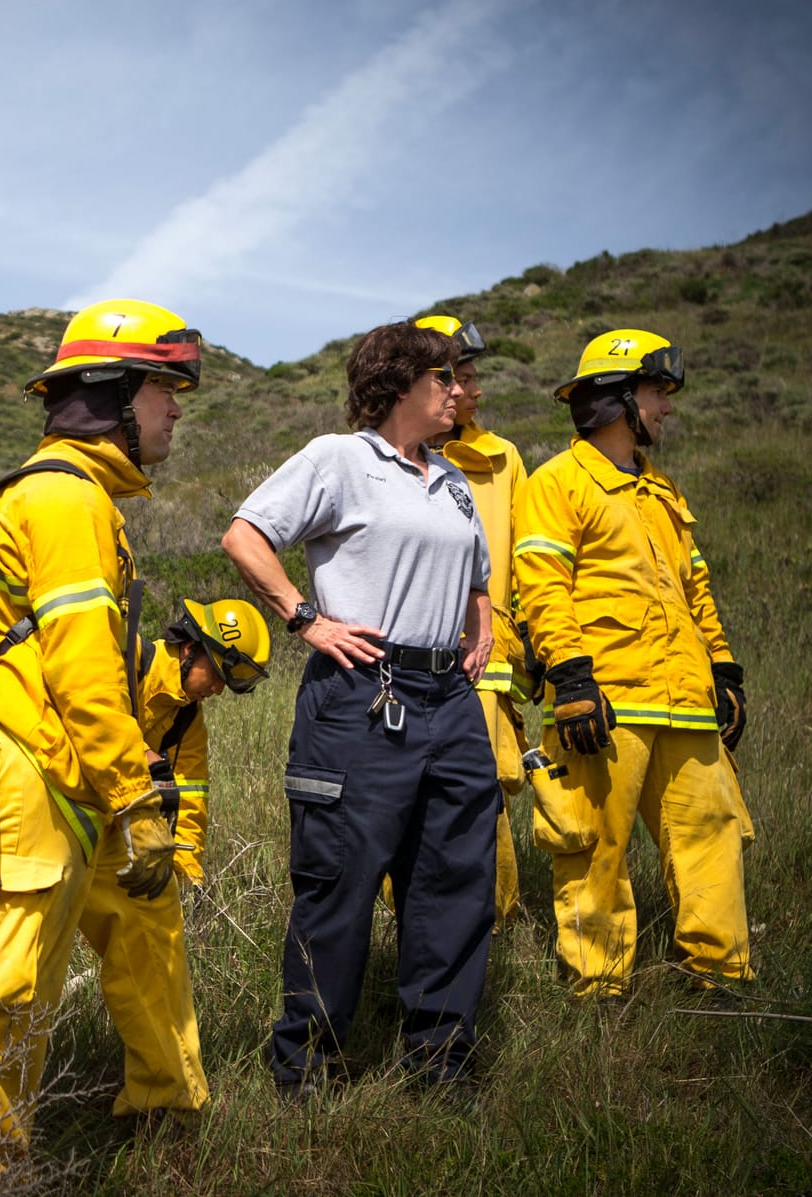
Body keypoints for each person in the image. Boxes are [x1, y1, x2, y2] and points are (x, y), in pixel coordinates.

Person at [0, 299, 201, 1194]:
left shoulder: (73, 497)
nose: (176, 410)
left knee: (24, 995)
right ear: (115, 396)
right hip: (22, 757)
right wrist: (136, 793)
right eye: (165, 389)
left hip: (43, 763)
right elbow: (81, 665)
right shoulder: (66, 498)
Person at [222, 320, 496, 1096]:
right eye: (444, 377)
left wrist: (483, 621)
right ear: (400, 383)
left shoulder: (453, 479)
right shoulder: (341, 458)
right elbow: (245, 535)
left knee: (453, 884)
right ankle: (304, 1069)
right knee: (338, 886)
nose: (459, 390)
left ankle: (440, 1066)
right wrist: (304, 617)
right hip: (362, 696)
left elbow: (476, 573)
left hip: (451, 702)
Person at [513, 329, 753, 997]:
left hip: (685, 701)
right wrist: (572, 678)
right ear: (618, 399)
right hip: (605, 705)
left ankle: (720, 977)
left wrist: (724, 673)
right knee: (595, 849)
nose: (667, 408)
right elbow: (542, 585)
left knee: (713, 833)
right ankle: (599, 991)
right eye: (656, 392)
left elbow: (694, 590)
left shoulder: (663, 491)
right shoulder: (557, 482)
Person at [78, 596, 269, 1118]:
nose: (217, 690)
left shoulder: (188, 720)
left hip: (119, 835)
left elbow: (192, 793)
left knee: (154, 942)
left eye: (229, 684)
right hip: (65, 813)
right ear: (189, 648)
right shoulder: (127, 662)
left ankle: (162, 1102)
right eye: (217, 674)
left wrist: (182, 867)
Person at [413, 313, 532, 927]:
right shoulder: (382, 458)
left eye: (473, 376)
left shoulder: (502, 459)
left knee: (480, 804)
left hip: (482, 665)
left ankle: (491, 929)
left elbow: (530, 564)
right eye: (461, 376)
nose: (474, 389)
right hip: (400, 670)